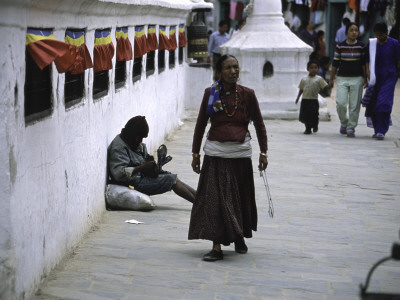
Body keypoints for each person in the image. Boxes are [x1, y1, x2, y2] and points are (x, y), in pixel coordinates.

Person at [189, 55, 268, 262]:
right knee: (216, 201)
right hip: (216, 156)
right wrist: (195, 154)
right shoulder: (211, 94)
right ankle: (216, 246)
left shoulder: (247, 95)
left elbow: (259, 124)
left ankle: (238, 235)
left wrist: (264, 152)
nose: (233, 71)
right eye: (228, 68)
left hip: (240, 156)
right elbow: (200, 125)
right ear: (219, 72)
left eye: (236, 67)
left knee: (239, 198)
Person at [107, 116, 196, 207]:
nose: (140, 141)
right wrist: (141, 168)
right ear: (133, 134)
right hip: (132, 184)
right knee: (171, 180)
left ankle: (201, 199)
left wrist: (153, 167)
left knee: (173, 178)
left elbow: (143, 162)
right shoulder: (119, 147)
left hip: (141, 177)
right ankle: (199, 204)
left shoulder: (133, 142)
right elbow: (118, 174)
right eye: (139, 138)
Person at [329, 22, 366, 138]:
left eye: (356, 30)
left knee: (354, 105)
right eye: (351, 30)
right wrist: (331, 79)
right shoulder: (340, 46)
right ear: (346, 32)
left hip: (357, 78)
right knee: (340, 103)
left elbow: (364, 63)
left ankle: (351, 128)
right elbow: (335, 63)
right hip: (342, 78)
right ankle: (344, 123)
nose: (354, 32)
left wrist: (366, 77)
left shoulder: (361, 46)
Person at [364, 22, 400, 140]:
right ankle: (377, 129)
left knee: (383, 102)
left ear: (386, 33)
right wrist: (367, 74)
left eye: (382, 35)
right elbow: (366, 59)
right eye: (378, 35)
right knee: (374, 102)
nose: (380, 37)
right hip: (375, 77)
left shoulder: (394, 43)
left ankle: (382, 130)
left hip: (389, 76)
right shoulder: (372, 43)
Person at [295, 60, 329, 134]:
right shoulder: (304, 79)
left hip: (313, 100)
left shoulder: (319, 79)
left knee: (314, 114)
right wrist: (298, 97)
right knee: (305, 115)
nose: (313, 69)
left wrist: (329, 86)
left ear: (318, 69)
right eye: (311, 68)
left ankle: (315, 125)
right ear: (308, 69)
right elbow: (301, 89)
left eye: (315, 67)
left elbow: (325, 86)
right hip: (305, 100)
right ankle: (308, 129)